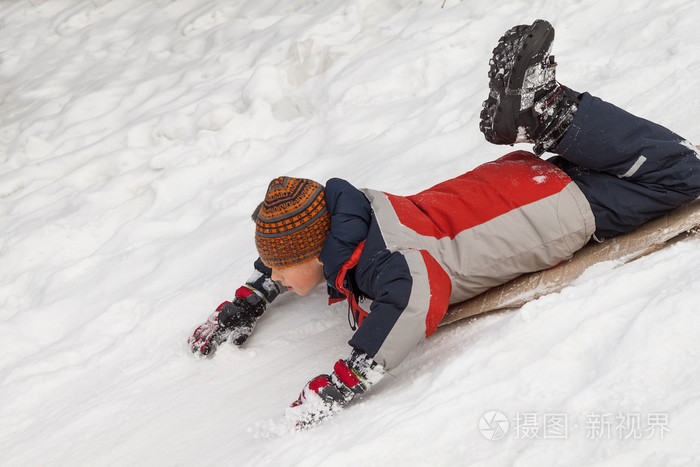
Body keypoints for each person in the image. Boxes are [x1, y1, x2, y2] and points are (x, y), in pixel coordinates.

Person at [188, 19, 700, 428]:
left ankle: (546, 110)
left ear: (316, 249)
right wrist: (251, 298)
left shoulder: (392, 263)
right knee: (651, 161)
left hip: (564, 211)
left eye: (279, 271)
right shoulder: (359, 217)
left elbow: (411, 305)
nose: (274, 276)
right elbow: (290, 250)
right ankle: (544, 116)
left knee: (684, 174)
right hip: (522, 182)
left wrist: (349, 378)